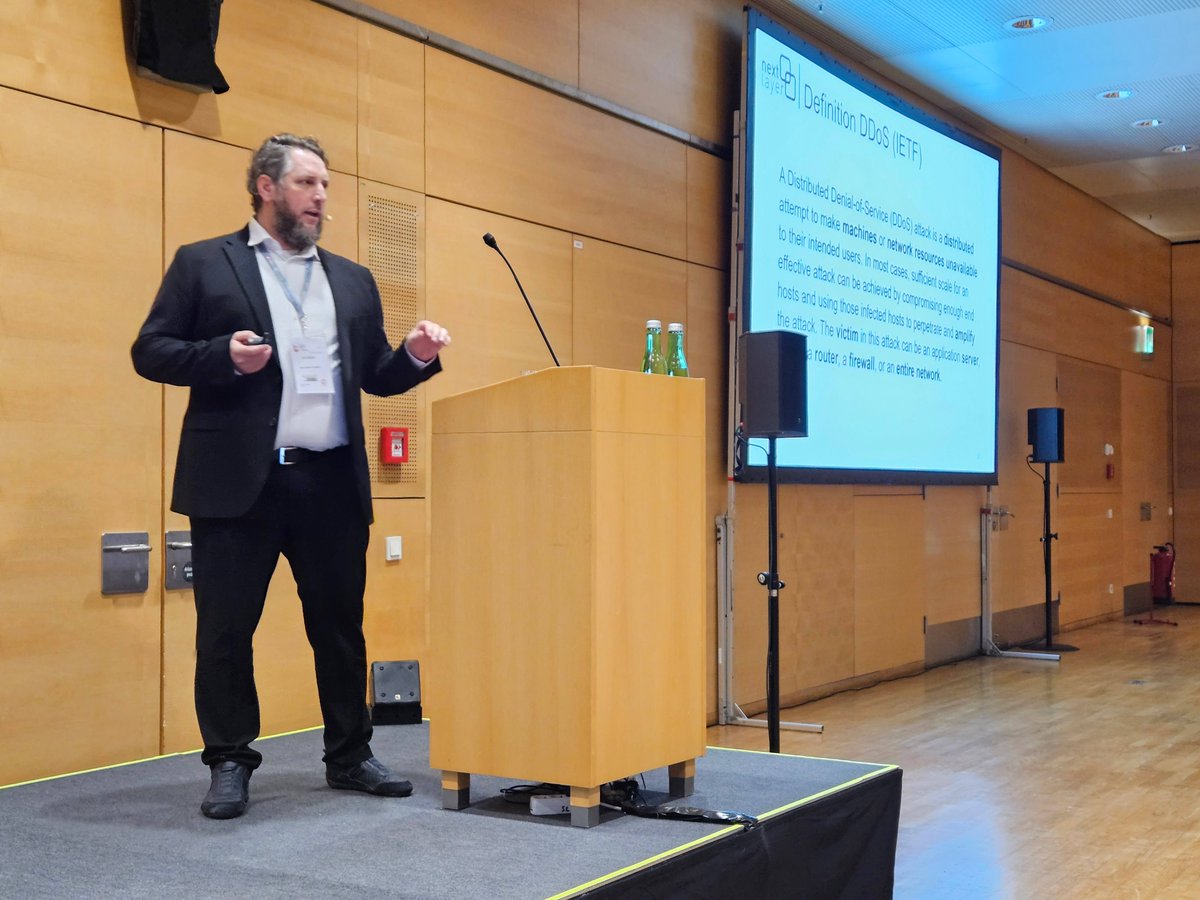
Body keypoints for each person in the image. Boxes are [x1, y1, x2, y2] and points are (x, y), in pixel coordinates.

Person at [132, 133, 450, 819]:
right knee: (225, 629)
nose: (321, 199)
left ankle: (350, 755)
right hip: (239, 484)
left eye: (326, 187)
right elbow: (150, 350)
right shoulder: (203, 264)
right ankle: (228, 760)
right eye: (307, 184)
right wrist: (221, 356)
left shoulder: (352, 279)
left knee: (339, 626)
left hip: (330, 482)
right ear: (266, 188)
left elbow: (375, 375)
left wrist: (416, 356)